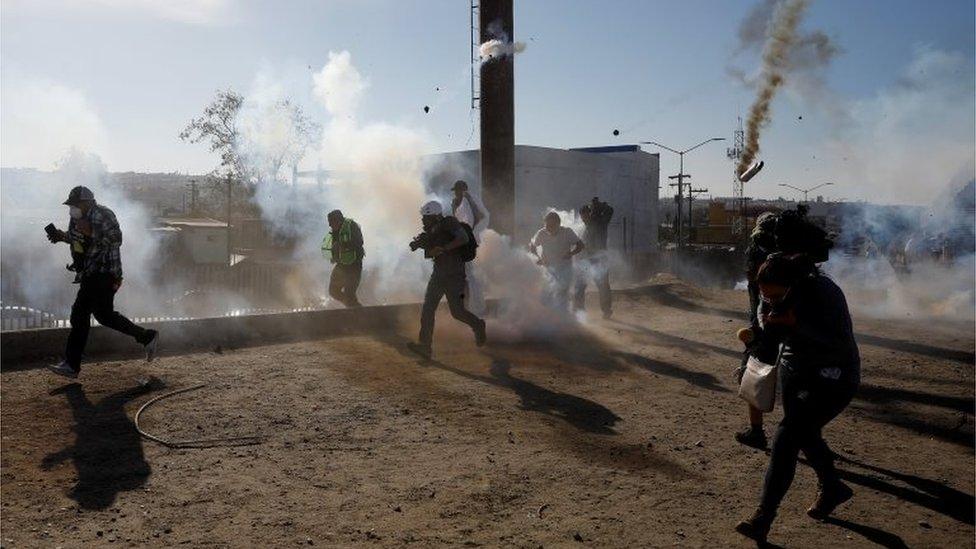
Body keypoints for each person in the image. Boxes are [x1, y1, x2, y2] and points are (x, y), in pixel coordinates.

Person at [735, 253, 860, 544]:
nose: (771, 301)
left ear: (792, 285)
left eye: (776, 296)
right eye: (766, 296)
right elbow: (770, 338)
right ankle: (832, 487)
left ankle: (763, 518)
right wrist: (753, 349)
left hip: (834, 377)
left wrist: (797, 325)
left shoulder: (825, 293)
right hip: (796, 374)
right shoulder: (771, 297)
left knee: (787, 435)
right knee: (804, 434)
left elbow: (837, 341)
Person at [45, 186, 159, 379]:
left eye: (75, 204)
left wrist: (91, 233)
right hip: (91, 273)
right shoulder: (76, 219)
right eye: (70, 205)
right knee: (104, 315)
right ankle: (147, 336)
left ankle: (72, 364)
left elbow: (116, 239)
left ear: (87, 202)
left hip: (105, 272)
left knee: (80, 314)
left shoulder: (103, 214)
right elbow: (78, 240)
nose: (72, 208)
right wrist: (61, 237)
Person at [407, 201, 486, 359]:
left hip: (454, 275)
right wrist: (419, 245)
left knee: (457, 312)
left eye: (426, 217)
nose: (424, 220)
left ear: (435, 215)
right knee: (428, 309)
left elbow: (463, 238)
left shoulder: (449, 222)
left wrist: (444, 248)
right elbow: (431, 253)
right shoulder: (430, 231)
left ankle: (478, 325)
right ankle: (425, 346)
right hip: (438, 275)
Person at [529, 211, 584, 311]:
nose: (549, 228)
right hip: (548, 268)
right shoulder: (541, 233)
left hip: (565, 268)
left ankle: (563, 317)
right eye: (547, 225)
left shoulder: (567, 232)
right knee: (546, 294)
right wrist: (538, 258)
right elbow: (532, 246)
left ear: (558, 224)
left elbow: (580, 245)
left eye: (552, 225)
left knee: (562, 293)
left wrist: (571, 253)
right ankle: (547, 316)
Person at [450, 180, 489, 316]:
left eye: (459, 189)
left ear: (464, 190)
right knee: (466, 275)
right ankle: (469, 307)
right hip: (462, 241)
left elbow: (480, 217)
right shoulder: (455, 202)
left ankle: (476, 309)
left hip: (469, 241)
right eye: (456, 190)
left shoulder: (469, 200)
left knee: (471, 276)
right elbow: (456, 221)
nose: (457, 192)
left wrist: (469, 232)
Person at [573, 197, 614, 319]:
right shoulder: (584, 228)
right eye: (582, 216)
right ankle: (579, 311)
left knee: (603, 286)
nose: (583, 219)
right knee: (579, 285)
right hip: (585, 260)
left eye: (585, 215)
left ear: (590, 214)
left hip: (599, 259)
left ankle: (606, 311)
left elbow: (610, 210)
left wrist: (599, 205)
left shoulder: (600, 223)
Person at [321, 209, 364, 308]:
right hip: (341, 265)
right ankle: (352, 306)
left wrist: (343, 245)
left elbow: (359, 242)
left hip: (354, 265)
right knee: (333, 291)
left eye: (331, 222)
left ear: (338, 220)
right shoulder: (335, 231)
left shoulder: (352, 226)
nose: (330, 226)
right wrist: (333, 256)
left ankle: (358, 312)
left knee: (349, 293)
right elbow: (334, 246)